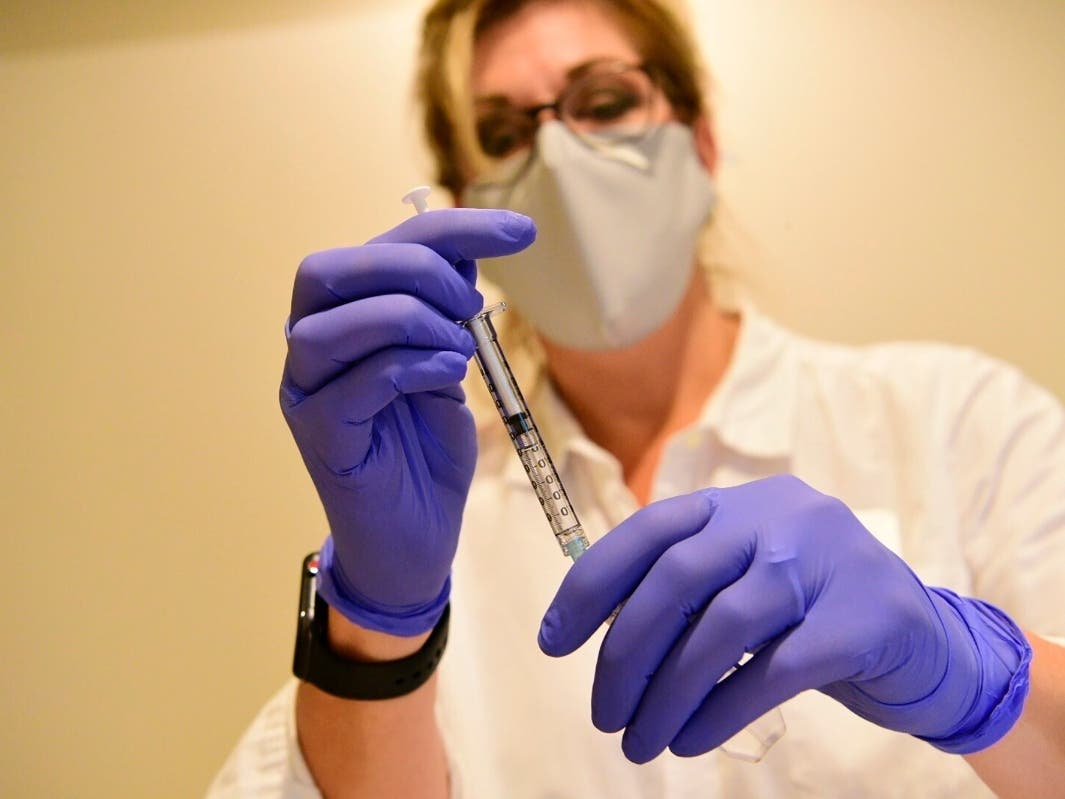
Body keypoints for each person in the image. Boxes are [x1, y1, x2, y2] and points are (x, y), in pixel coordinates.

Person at [209, 0, 1065, 796]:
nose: (556, 159)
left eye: (606, 100)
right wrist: (377, 625)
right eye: (504, 131)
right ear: (466, 205)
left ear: (698, 142)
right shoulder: (433, 527)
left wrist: (970, 670)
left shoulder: (962, 424)